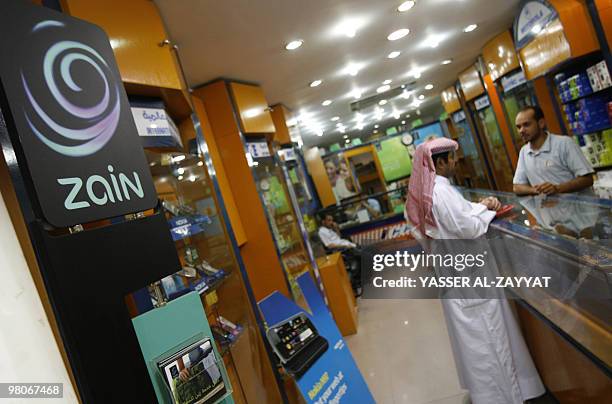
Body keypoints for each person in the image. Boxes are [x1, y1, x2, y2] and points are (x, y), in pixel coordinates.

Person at [406, 137, 545, 404]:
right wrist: (486, 208)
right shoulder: (440, 191)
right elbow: (467, 228)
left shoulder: (429, 191)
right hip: (471, 281)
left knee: (477, 340)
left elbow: (453, 219)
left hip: (456, 279)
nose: (456, 163)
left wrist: (478, 207)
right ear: (442, 162)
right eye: (452, 159)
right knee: (489, 339)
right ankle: (504, 397)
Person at [513, 106, 594, 195]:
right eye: (518, 127)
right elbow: (517, 187)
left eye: (526, 125)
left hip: (579, 208)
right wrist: (537, 190)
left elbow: (587, 179)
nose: (521, 130)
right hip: (549, 208)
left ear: (541, 123)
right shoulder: (524, 152)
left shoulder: (564, 143)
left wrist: (557, 189)